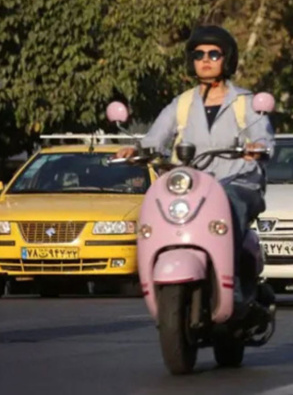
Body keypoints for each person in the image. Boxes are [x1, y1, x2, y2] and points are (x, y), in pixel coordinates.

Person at [116, 25, 274, 298]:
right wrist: (136, 150)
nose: (205, 60)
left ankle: (234, 283)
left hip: (237, 182)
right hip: (192, 185)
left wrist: (257, 147)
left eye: (214, 54)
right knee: (159, 204)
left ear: (227, 59)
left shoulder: (245, 102)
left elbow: (263, 135)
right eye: (199, 54)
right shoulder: (182, 103)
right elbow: (155, 138)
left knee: (230, 203)